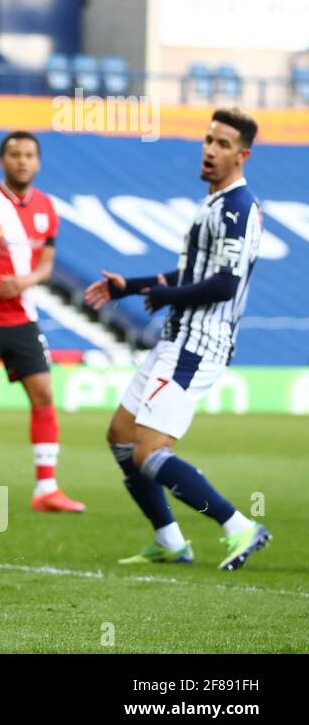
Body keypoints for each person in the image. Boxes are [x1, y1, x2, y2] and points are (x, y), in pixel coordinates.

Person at [84, 109, 269, 570]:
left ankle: (239, 526)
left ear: (242, 155)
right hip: (176, 338)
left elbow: (224, 284)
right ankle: (169, 540)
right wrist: (134, 284)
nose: (210, 149)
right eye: (208, 140)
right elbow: (190, 274)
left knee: (148, 452)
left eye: (223, 144)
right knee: (121, 436)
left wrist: (166, 295)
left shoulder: (238, 208)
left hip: (199, 343)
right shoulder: (211, 204)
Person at [0, 131, 84, 514]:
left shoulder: (47, 207)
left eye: (29, 154)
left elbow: (46, 263)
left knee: (44, 394)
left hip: (22, 318)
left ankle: (46, 488)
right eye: (14, 154)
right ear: (2, 161)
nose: (22, 161)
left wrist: (26, 281)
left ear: (38, 162)